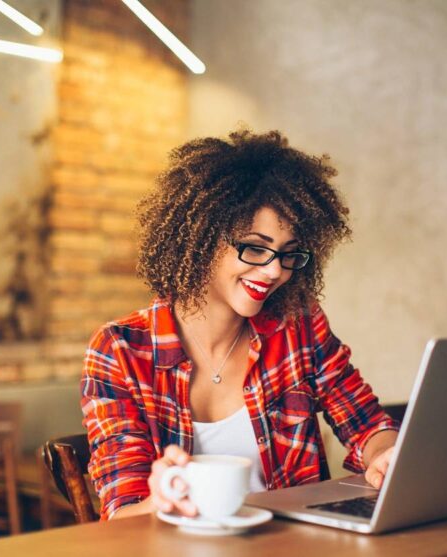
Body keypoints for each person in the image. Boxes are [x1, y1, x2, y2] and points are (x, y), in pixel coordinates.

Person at [81, 129, 399, 521]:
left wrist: (386, 454)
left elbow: (367, 425)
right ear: (201, 237)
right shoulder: (121, 351)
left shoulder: (298, 326)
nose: (273, 271)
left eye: (288, 254)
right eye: (254, 247)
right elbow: (122, 515)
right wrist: (163, 502)